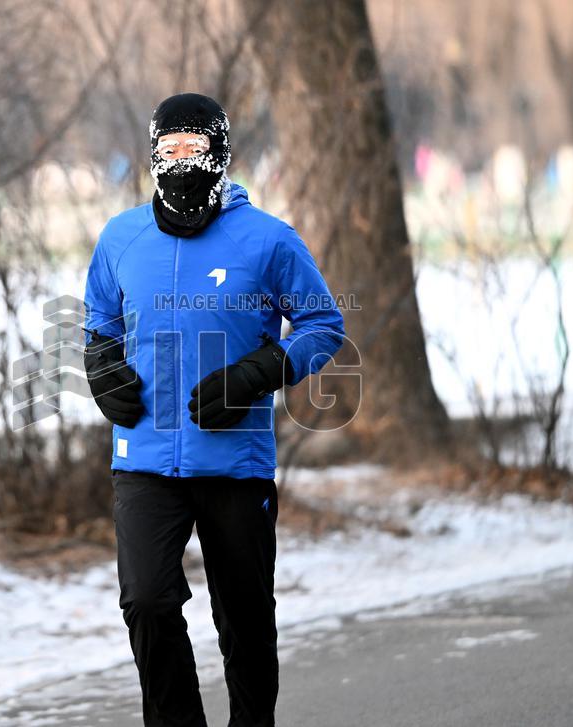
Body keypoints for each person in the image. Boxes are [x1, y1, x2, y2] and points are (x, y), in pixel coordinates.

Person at [82, 92, 344, 727]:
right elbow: (98, 320)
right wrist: (100, 364)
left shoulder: (268, 240)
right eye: (167, 149)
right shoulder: (122, 237)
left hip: (235, 463)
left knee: (246, 623)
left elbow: (323, 325)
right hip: (143, 458)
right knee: (146, 602)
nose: (179, 161)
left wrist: (261, 372)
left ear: (220, 152)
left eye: (193, 147)